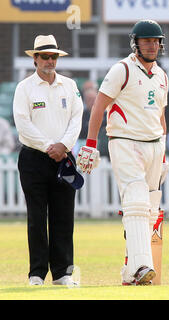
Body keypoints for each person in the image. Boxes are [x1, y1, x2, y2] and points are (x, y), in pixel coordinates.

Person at [76, 20, 169, 285]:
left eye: (156, 41)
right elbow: (98, 107)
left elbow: (161, 116)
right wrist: (91, 143)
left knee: (149, 208)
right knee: (136, 200)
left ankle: (131, 271)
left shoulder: (162, 75)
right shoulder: (122, 69)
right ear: (135, 43)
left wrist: (163, 153)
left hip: (154, 144)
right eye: (146, 41)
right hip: (125, 141)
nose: (152, 45)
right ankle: (142, 266)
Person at [13, 35, 83, 286]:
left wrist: (63, 146)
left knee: (64, 216)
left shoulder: (70, 85)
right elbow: (23, 123)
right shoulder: (25, 88)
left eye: (53, 56)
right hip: (34, 158)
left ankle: (63, 273)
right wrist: (48, 147)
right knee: (37, 216)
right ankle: (37, 273)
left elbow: (77, 118)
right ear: (35, 59)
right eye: (45, 56)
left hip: (64, 157)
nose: (50, 61)